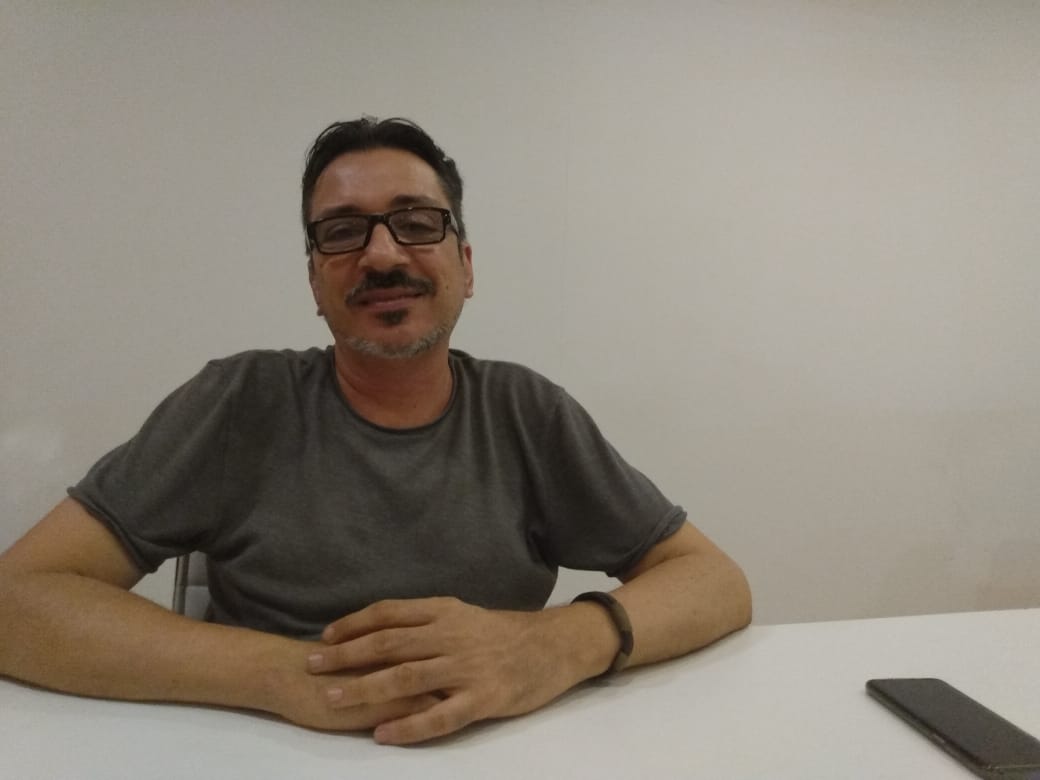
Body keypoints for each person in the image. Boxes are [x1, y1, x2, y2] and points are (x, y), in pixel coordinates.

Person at [0, 117, 751, 745]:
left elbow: (715, 581)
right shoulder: (239, 402)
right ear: (314, 282)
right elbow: (17, 600)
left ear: (465, 265)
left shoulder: (528, 412)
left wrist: (553, 646)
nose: (382, 254)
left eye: (417, 223)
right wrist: (288, 677)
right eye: (342, 232)